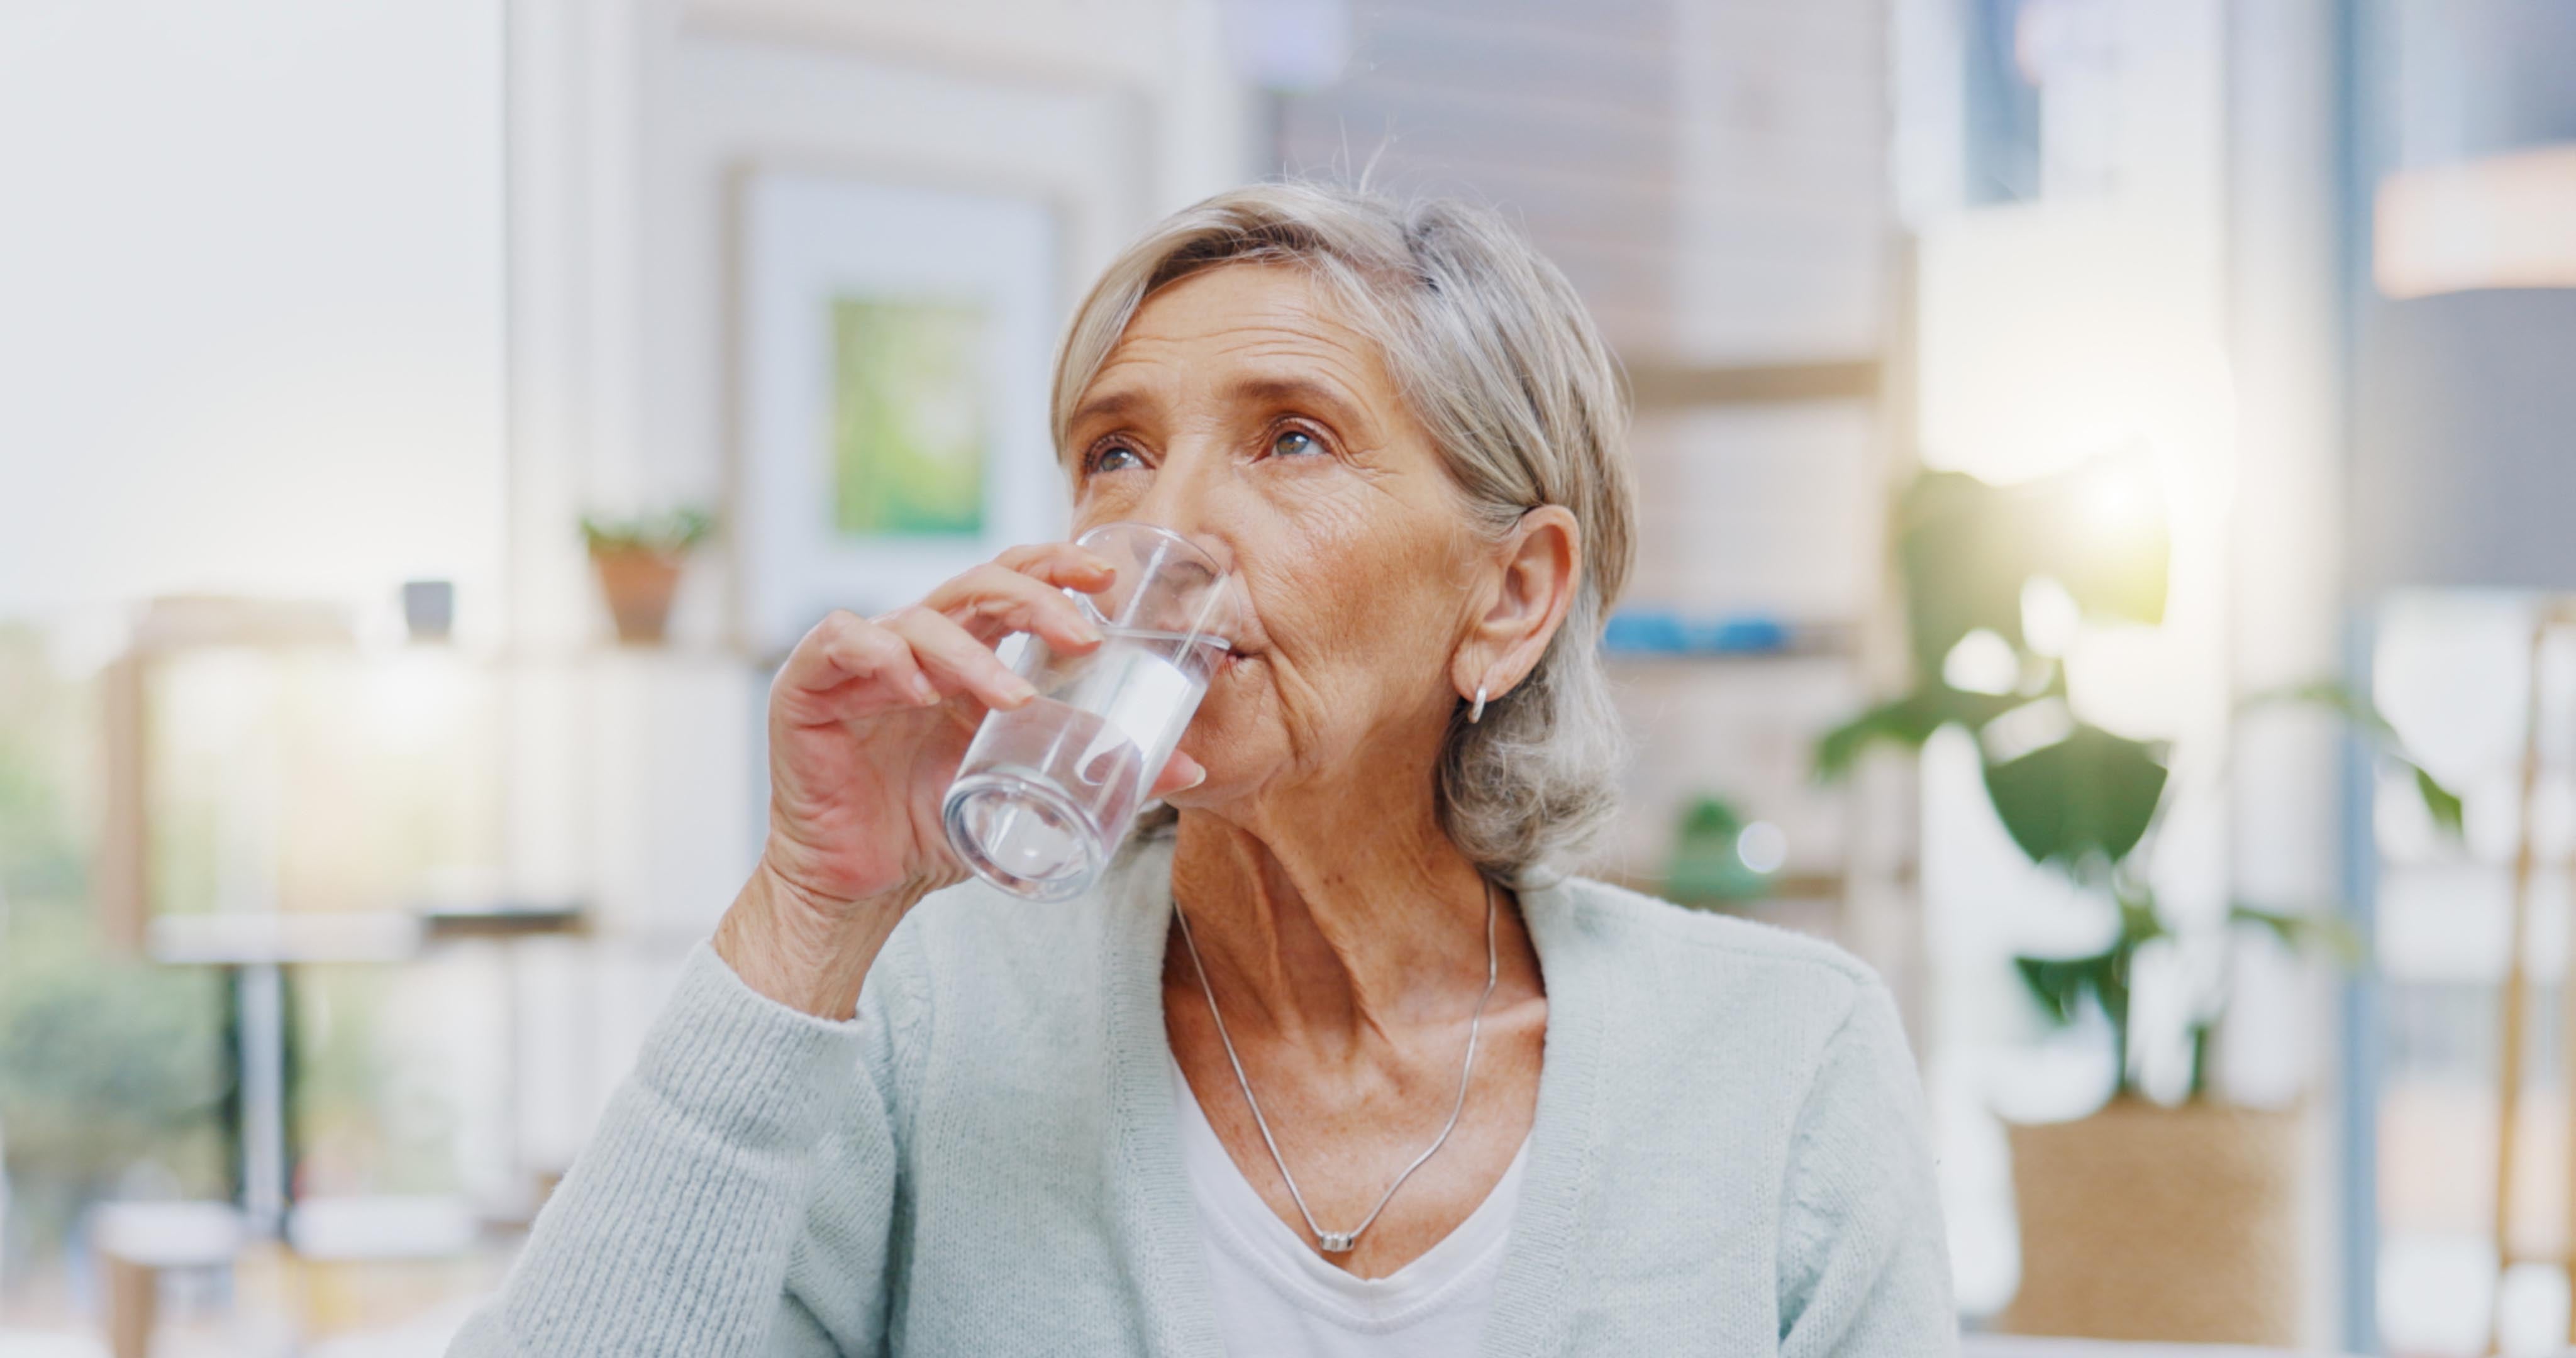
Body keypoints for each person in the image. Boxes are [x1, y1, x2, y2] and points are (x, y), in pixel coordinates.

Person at [448, 181, 1955, 1357]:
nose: (1159, 528)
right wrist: (810, 908)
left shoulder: (1780, 1064)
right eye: (1113, 452)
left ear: (1509, 595)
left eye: (1290, 440)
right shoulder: (929, 1014)